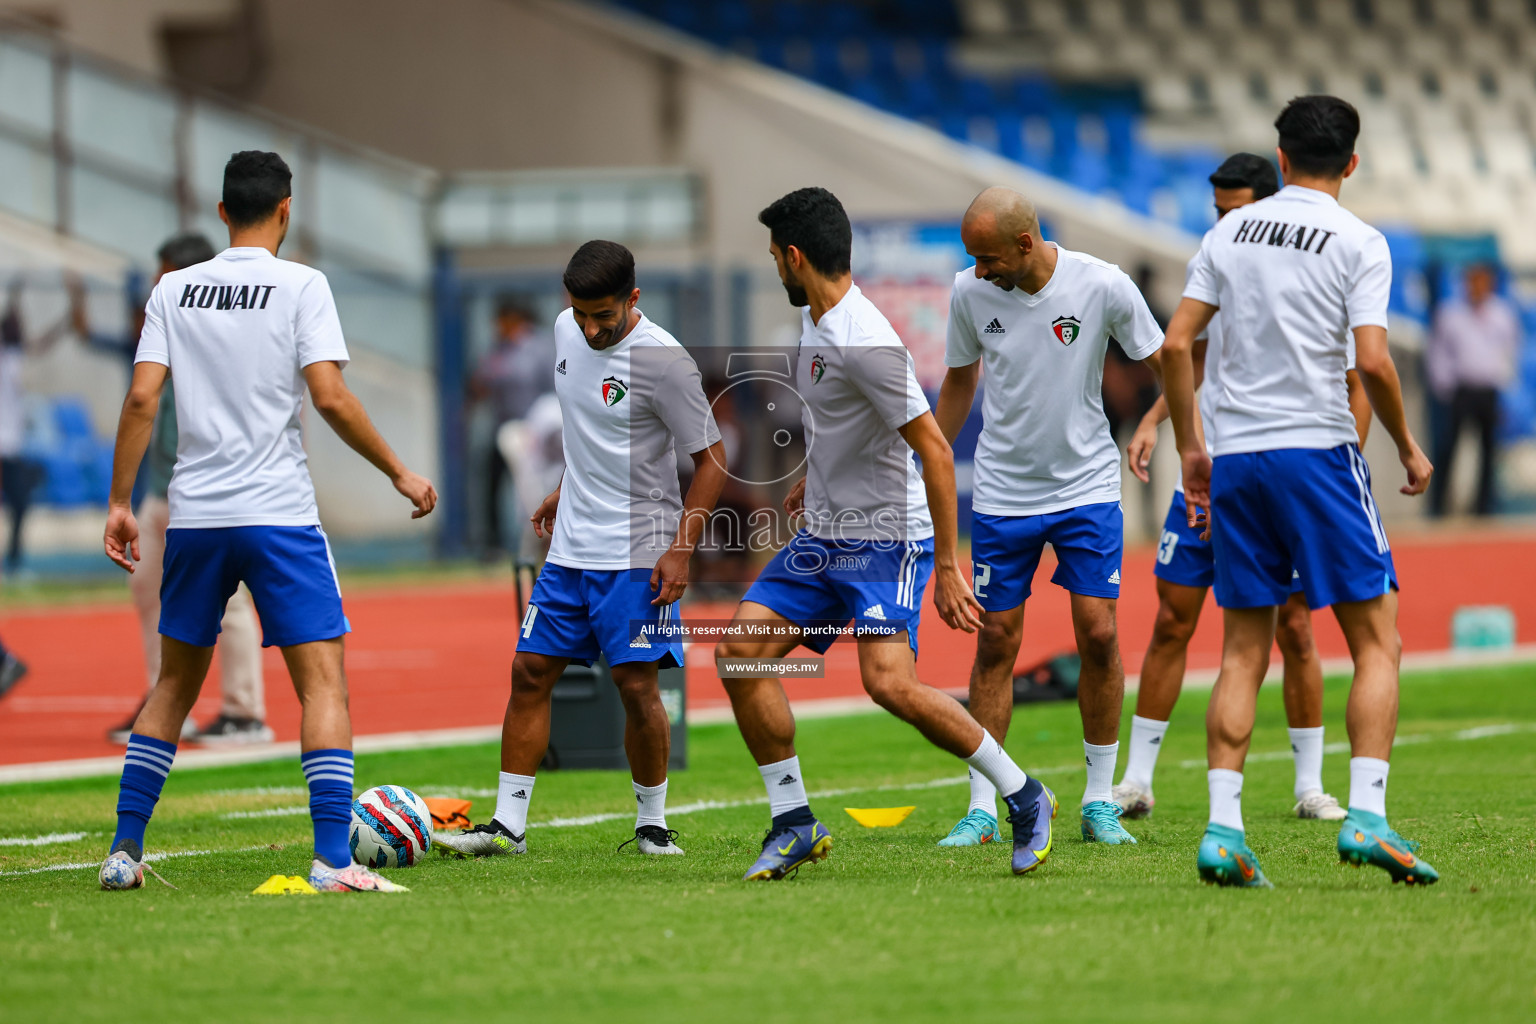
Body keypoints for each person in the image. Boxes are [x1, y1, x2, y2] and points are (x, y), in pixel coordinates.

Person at [97, 150, 438, 894]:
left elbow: (142, 402)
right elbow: (331, 397)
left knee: (172, 688)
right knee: (323, 687)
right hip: (279, 516)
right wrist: (398, 471)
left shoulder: (173, 289)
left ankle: (125, 852)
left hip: (195, 516)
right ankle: (332, 862)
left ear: (222, 212)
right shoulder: (302, 285)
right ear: (286, 209)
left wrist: (121, 503)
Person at [713, 187, 1056, 881]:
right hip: (825, 534)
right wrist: (818, 474)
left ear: (793, 256)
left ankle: (1025, 796)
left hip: (886, 539)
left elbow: (933, 447)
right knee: (740, 653)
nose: (775, 267)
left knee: (889, 684)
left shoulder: (863, 338)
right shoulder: (817, 322)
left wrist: (950, 568)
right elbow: (850, 424)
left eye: (775, 256)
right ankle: (794, 822)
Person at [1164, 96, 1438, 887]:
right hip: (1315, 449)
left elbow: (1179, 341)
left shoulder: (1228, 232)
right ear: (1352, 162)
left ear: (1280, 160)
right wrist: (1408, 447)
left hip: (1238, 458)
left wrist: (1192, 444)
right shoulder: (1360, 240)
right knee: (1375, 640)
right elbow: (1375, 363)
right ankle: (1368, 817)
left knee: (1243, 649)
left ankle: (1222, 829)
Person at [435, 240, 727, 860]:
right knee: (529, 672)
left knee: (635, 686)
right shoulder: (568, 330)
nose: (592, 328)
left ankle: (653, 825)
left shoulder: (665, 362)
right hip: (569, 550)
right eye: (581, 313)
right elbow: (589, 431)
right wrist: (562, 489)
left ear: (633, 299)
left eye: (605, 316)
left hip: (637, 552)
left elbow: (711, 461)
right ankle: (506, 827)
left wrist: (681, 549)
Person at [1114, 153, 1371, 823]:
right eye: (1218, 211)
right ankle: (1136, 781)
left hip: (1276, 473)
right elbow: (1187, 356)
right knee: (1173, 617)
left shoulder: (1307, 275)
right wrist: (1152, 421)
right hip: (1211, 477)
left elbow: (1357, 379)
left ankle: (1309, 785)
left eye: (1235, 210)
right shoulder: (1219, 258)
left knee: (1292, 628)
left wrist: (1348, 462)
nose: (1225, 222)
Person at [932, 187, 1163, 849]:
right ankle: (984, 805)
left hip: (1087, 487)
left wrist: (1154, 422)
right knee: (997, 641)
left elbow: (1168, 361)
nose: (978, 270)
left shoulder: (1103, 286)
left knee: (1097, 633)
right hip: (1004, 495)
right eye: (972, 258)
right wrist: (926, 454)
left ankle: (1098, 800)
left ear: (1025, 244)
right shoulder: (969, 293)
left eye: (988, 256)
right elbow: (957, 384)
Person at [84, 233, 272, 747]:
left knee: (230, 600)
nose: (154, 284)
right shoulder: (160, 324)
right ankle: (164, 700)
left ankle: (245, 710)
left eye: (163, 271)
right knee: (146, 589)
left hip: (213, 488)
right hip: (163, 487)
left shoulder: (221, 328)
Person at [1427, 263, 1522, 517]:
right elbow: (1438, 354)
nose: (1477, 287)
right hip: (1462, 389)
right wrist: (1443, 386)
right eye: (1473, 281)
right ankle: (1439, 506)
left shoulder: (1502, 315)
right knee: (1449, 448)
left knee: (1488, 450)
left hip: (1488, 390)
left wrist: (1505, 386)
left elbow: (1510, 352)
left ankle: (1484, 508)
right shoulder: (1451, 314)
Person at [470, 299, 556, 555]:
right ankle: (493, 544)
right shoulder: (498, 350)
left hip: (535, 430)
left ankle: (542, 541)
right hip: (505, 430)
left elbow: (552, 388)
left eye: (501, 321)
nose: (497, 327)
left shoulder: (539, 348)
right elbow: (481, 383)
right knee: (493, 485)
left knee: (532, 489)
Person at [0, 276, 68, 575]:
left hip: (11, 446)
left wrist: (64, 323)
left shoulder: (14, 357)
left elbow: (36, 342)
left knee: (19, 504)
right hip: (6, 445)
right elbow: (28, 337)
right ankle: (13, 560)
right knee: (18, 503)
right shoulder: (8, 358)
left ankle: (13, 560)